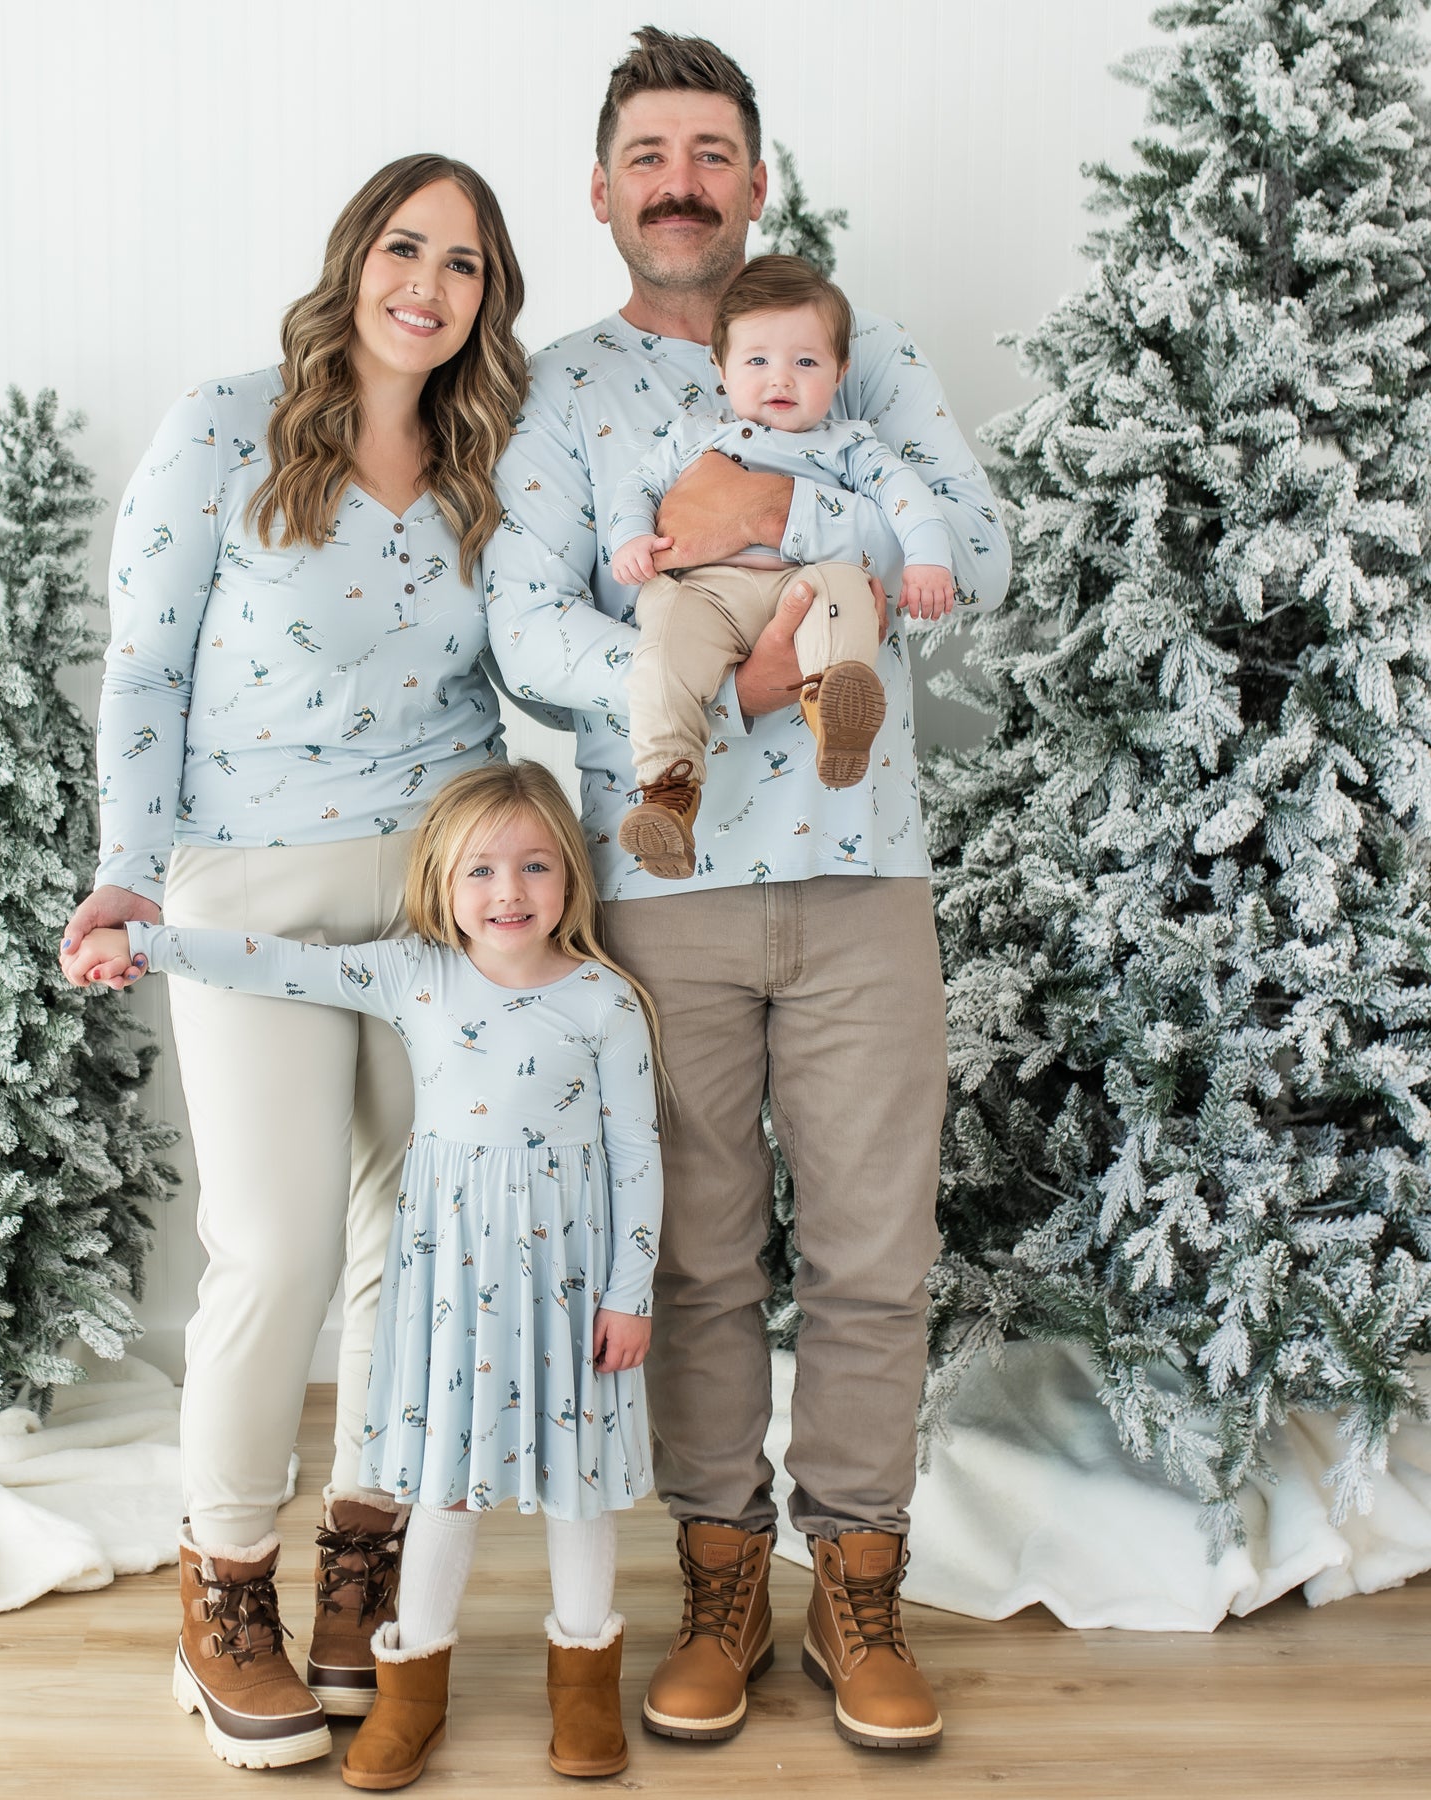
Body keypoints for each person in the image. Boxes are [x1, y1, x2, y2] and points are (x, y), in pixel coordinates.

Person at [484, 27, 1010, 1754]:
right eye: (651, 154)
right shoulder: (562, 390)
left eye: (711, 151)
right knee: (699, 1259)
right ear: (604, 191)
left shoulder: (859, 360)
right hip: (663, 880)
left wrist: (793, 554)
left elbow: (978, 553)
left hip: (867, 880)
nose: (681, 181)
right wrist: (725, 676)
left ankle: (857, 1587)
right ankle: (719, 1581)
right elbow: (526, 618)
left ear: (756, 181)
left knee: (873, 1254)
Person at [59, 153, 529, 1769]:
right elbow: (144, 668)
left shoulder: (487, 457)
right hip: (247, 883)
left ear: (489, 297)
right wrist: (128, 874)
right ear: (353, 262)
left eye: (464, 264)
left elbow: (526, 667)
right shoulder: (225, 425)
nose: (430, 284)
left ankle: (363, 1563)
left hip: (434, 892)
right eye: (406, 248)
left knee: (414, 1241)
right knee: (274, 1250)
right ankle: (225, 1586)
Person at [69, 760, 663, 1788]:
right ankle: (410, 1694)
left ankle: (584, 1697)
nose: (508, 892)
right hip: (460, 1299)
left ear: (571, 873)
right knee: (441, 1489)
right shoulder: (416, 974)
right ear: (438, 881)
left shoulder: (605, 1002)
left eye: (533, 865)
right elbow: (274, 962)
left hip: (569, 1298)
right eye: (480, 870)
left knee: (579, 1494)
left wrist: (628, 1293)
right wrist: (146, 940)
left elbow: (639, 1154)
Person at [608, 253, 955, 877]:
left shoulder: (849, 445)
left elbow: (909, 499)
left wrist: (929, 559)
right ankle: (667, 791)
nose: (782, 379)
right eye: (758, 360)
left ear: (840, 369)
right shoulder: (695, 436)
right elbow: (636, 488)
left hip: (805, 582)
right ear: (721, 366)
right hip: (710, 593)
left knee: (847, 588)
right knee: (660, 641)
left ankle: (835, 706)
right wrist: (631, 537)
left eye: (806, 362)